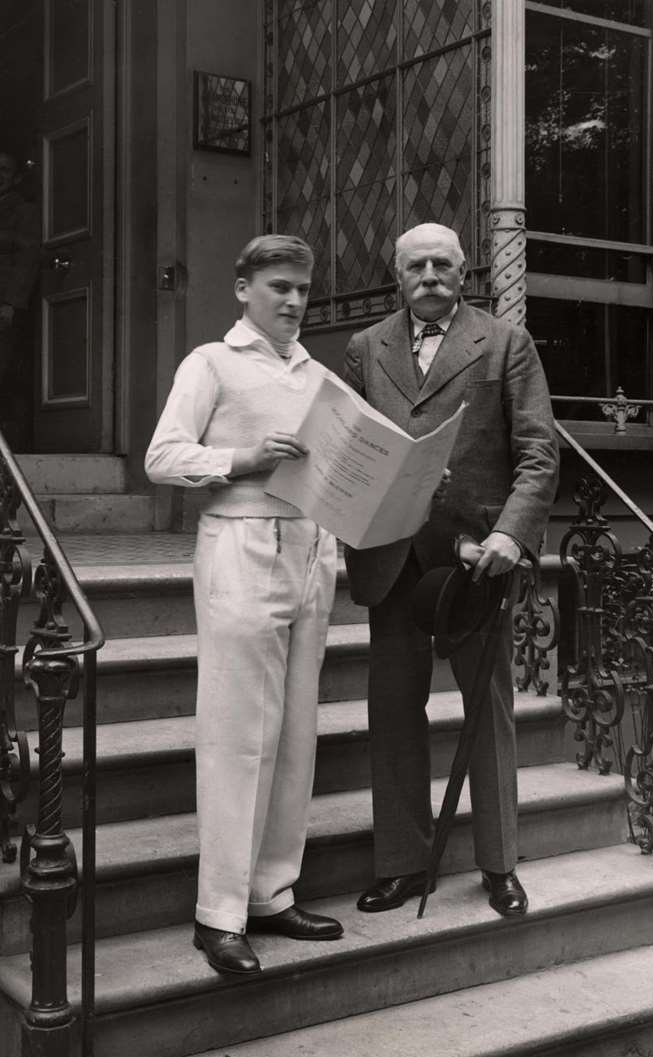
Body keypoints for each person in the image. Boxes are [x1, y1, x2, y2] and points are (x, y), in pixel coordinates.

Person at [343, 222, 559, 917]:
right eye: (416, 266)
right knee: (393, 711)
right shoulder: (363, 348)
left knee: (487, 712)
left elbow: (539, 453)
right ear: (398, 276)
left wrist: (510, 536)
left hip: (477, 559)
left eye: (443, 264)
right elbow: (350, 450)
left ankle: (499, 865)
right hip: (393, 555)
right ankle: (404, 862)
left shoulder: (505, 343)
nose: (430, 275)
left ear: (464, 273)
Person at [145, 234, 344, 976]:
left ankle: (271, 891)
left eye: (301, 289)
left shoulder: (316, 372)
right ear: (243, 289)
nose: (292, 301)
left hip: (311, 549)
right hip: (238, 544)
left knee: (295, 731)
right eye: (278, 287)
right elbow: (162, 456)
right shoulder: (211, 362)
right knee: (238, 732)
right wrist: (241, 459)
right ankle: (218, 914)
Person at [0, 151, 40, 449]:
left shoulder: (22, 211)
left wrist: (11, 303)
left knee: (7, 370)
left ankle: (14, 445)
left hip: (5, 303)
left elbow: (26, 259)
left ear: (15, 177)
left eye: (4, 169)